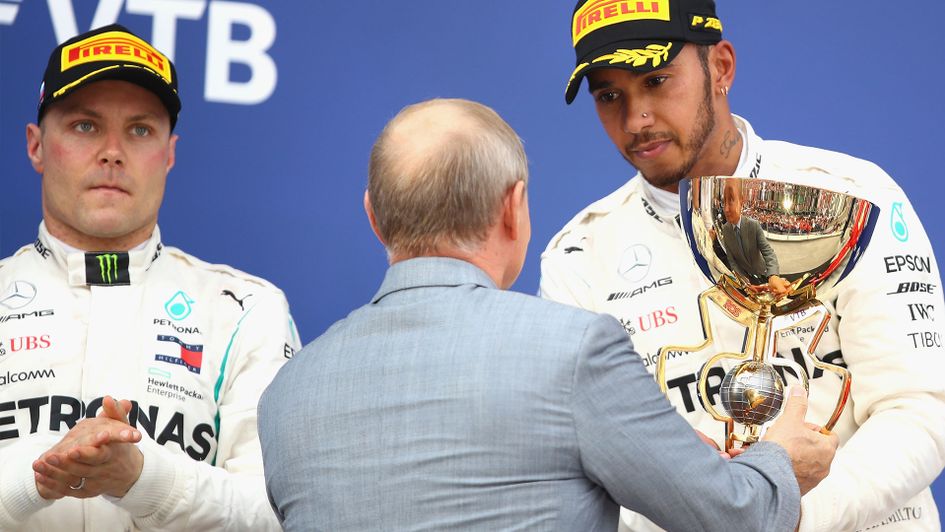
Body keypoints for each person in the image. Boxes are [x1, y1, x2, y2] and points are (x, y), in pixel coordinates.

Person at [259, 98, 837, 531]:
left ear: (374, 218)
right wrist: (778, 460)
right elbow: (736, 517)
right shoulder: (574, 352)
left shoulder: (287, 393)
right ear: (513, 208)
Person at [541, 1, 945, 530]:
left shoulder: (853, 196)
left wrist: (787, 515)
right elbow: (588, 463)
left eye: (658, 80)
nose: (636, 119)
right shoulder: (578, 256)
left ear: (722, 68)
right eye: (609, 95)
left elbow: (921, 409)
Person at [0, 24, 300, 530]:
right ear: (35, 146)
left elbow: (276, 511)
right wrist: (33, 481)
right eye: (85, 126)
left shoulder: (245, 310)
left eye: (140, 129)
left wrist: (140, 478)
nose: (112, 151)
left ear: (170, 154)